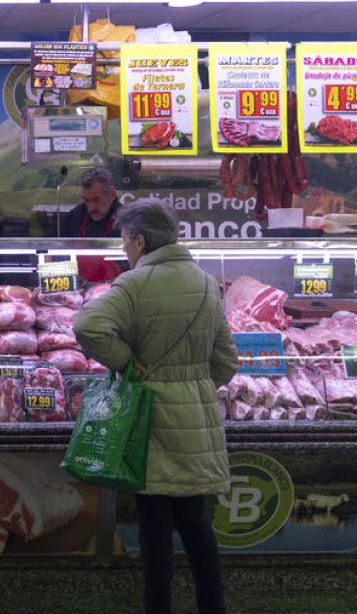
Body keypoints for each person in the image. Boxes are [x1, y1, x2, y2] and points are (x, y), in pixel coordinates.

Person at [72, 198, 237, 614]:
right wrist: (193, 386)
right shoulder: (205, 282)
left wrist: (127, 362)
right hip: (196, 420)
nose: (124, 249)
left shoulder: (134, 283)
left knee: (154, 529)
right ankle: (213, 607)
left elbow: (87, 325)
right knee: (197, 525)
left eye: (125, 241)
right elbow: (226, 362)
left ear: (141, 241)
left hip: (150, 419)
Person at [62, 167, 124, 283]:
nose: (90, 207)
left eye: (96, 200)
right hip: (79, 284)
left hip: (116, 284)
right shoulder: (76, 214)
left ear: (112, 195)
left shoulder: (127, 219)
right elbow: (53, 245)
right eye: (86, 200)